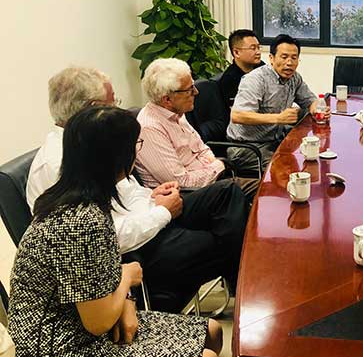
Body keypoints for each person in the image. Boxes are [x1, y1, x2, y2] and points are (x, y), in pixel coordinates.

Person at [10, 105, 221, 357]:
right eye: (135, 145)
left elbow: (95, 281)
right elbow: (97, 321)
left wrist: (127, 303)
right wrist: (126, 278)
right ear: (117, 157)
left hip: (85, 328)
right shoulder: (80, 221)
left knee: (212, 331)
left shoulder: (80, 198)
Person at [26, 67, 248, 313]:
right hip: (134, 248)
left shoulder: (92, 142)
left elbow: (126, 193)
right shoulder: (61, 163)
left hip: (149, 219)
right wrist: (162, 213)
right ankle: (238, 290)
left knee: (228, 194)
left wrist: (153, 197)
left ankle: (240, 282)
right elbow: (104, 237)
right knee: (224, 242)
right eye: (113, 102)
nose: (118, 109)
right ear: (92, 108)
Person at [135, 58, 260, 198]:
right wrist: (218, 166)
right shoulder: (150, 128)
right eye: (189, 90)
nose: (196, 92)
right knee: (266, 191)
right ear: (167, 99)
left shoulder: (176, 113)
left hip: (212, 181)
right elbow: (182, 182)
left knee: (269, 188)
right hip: (191, 196)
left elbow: (202, 148)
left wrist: (213, 167)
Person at [227, 33, 329, 173]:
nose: (289, 63)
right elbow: (237, 115)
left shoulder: (294, 78)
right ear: (271, 58)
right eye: (284, 57)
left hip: (275, 141)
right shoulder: (255, 79)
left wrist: (318, 109)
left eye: (294, 58)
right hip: (247, 148)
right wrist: (278, 118)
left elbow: (310, 101)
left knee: (311, 157)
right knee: (287, 170)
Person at [218, 29, 265, 108]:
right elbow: (237, 110)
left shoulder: (261, 67)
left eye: (258, 47)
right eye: (253, 48)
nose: (258, 52)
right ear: (236, 53)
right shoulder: (229, 79)